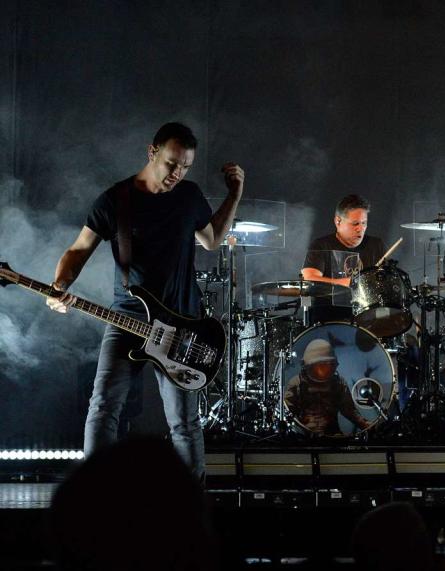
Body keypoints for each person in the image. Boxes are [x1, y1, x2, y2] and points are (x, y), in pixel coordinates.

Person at [46, 122, 245, 482]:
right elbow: (78, 250)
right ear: (151, 152)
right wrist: (60, 284)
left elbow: (212, 239)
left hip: (183, 326)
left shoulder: (188, 196)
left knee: (184, 422)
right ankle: (96, 491)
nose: (177, 173)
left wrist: (235, 194)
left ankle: (190, 507)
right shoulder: (115, 200)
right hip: (127, 320)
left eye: (185, 166)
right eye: (172, 164)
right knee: (103, 408)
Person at [300, 194, 386, 324]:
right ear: (338, 221)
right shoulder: (321, 245)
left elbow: (385, 280)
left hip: (366, 317)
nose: (360, 228)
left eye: (364, 223)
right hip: (328, 317)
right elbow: (310, 278)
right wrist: (343, 283)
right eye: (355, 223)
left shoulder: (376, 245)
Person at [283, 338, 373, 435]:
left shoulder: (338, 383)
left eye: (327, 366)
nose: (322, 371)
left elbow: (349, 411)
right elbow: (286, 412)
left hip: (332, 436)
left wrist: (368, 426)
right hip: (304, 436)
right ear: (307, 366)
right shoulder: (297, 383)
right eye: (319, 366)